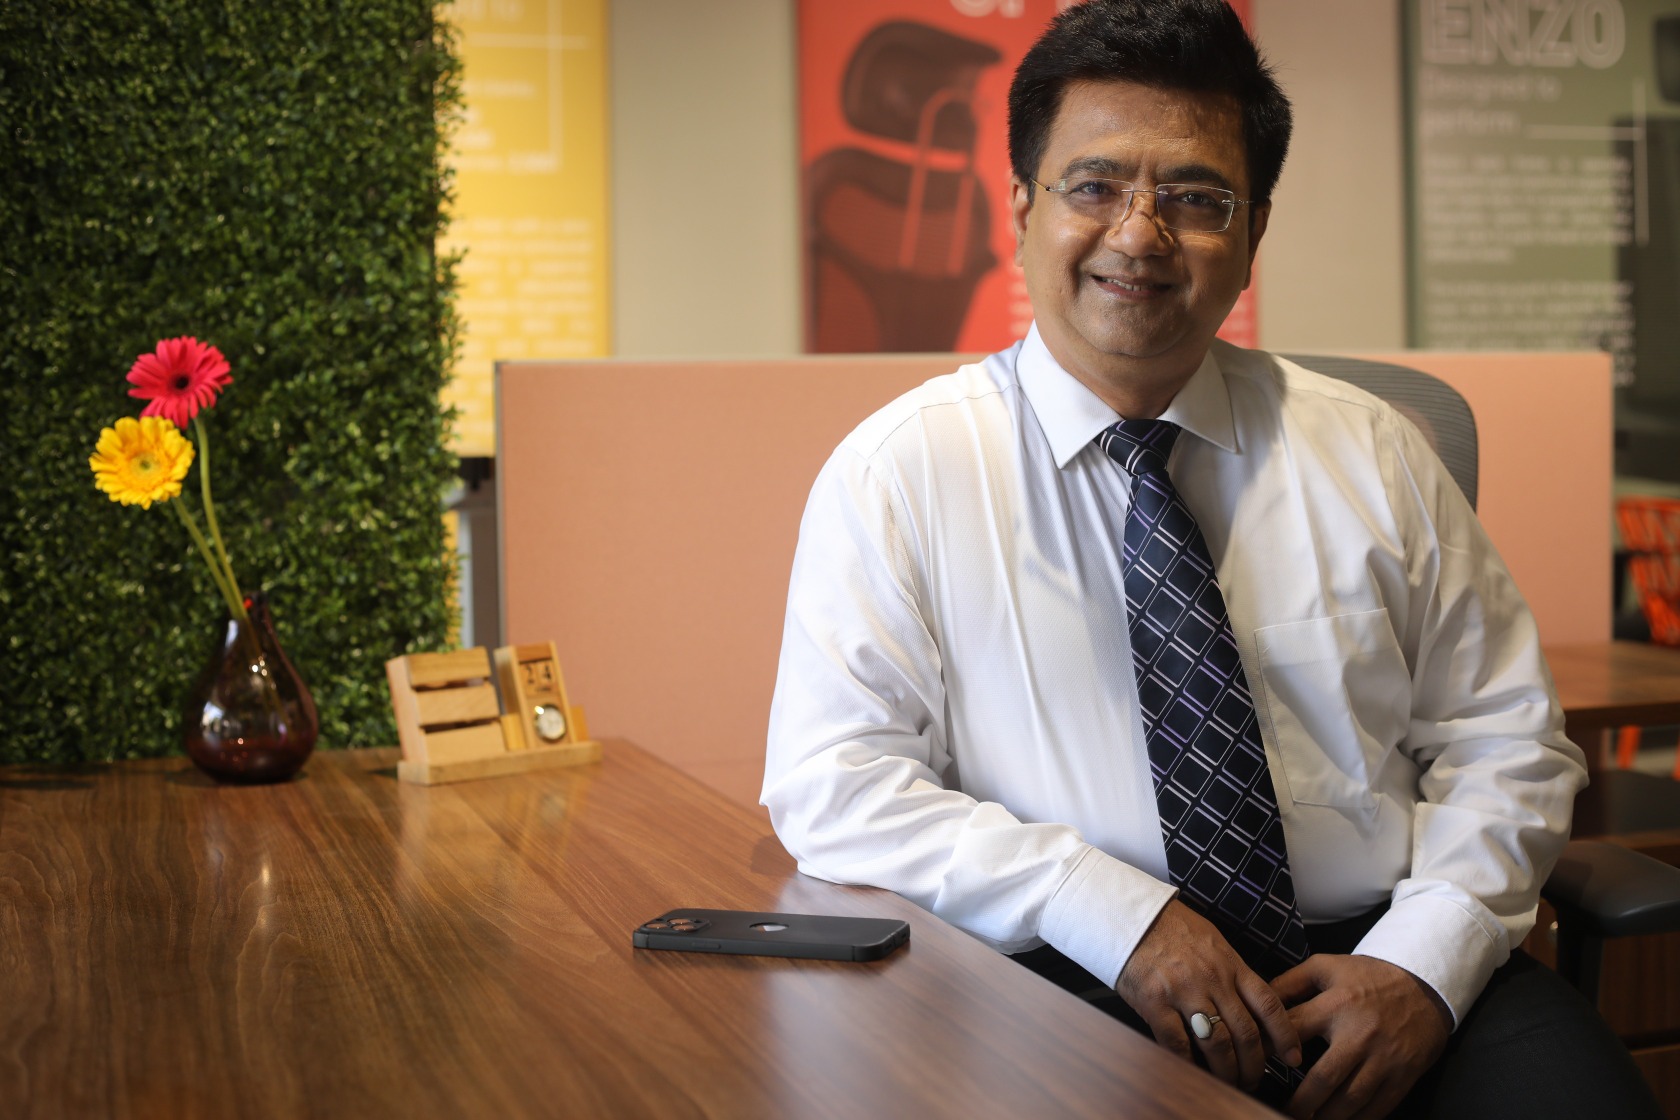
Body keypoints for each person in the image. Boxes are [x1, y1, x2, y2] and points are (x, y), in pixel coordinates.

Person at [763, 1, 1659, 1117]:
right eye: (1094, 186)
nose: (1140, 235)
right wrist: (1111, 910)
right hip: (1070, 972)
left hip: (1380, 954)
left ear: (1254, 230)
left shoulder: (1372, 450)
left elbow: (1505, 738)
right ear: (1023, 208)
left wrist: (1426, 960)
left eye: (1195, 198)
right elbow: (837, 785)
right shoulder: (900, 474)